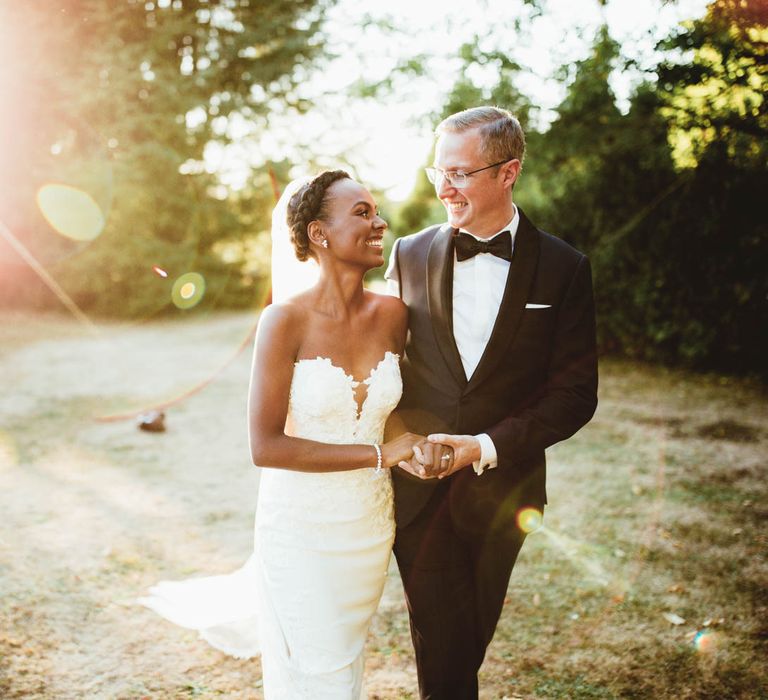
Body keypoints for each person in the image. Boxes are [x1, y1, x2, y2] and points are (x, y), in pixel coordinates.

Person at [141, 170, 423, 699]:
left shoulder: (394, 314)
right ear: (319, 234)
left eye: (376, 210)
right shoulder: (283, 322)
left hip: (367, 529)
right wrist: (381, 455)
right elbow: (265, 445)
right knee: (319, 674)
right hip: (301, 531)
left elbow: (390, 409)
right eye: (362, 212)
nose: (379, 221)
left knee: (344, 664)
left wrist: (411, 447)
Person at [385, 106, 599, 699]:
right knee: (444, 645)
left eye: (460, 173)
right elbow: (385, 367)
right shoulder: (408, 253)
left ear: (509, 172)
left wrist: (483, 446)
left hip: (506, 491)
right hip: (420, 492)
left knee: (465, 639)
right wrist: (402, 439)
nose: (444, 188)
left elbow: (576, 394)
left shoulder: (564, 268)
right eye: (439, 173)